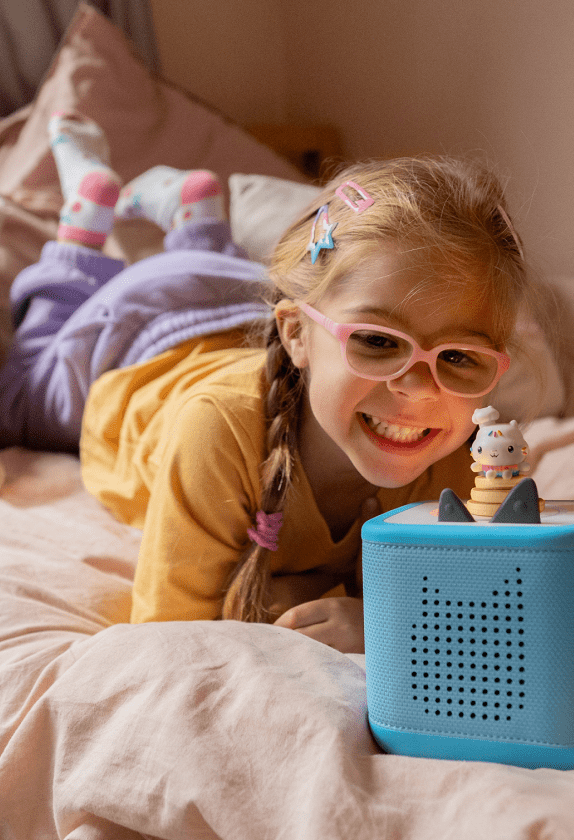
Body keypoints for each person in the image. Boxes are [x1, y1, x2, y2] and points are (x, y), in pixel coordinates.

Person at [1, 114, 538, 653]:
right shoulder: (217, 431)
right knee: (22, 396)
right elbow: (168, 639)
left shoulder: (458, 457)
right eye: (378, 342)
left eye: (461, 357)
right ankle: (82, 226)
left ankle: (196, 220)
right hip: (135, 340)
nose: (419, 390)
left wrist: (379, 618)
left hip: (234, 303)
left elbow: (493, 607)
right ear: (297, 334)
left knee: (216, 273)